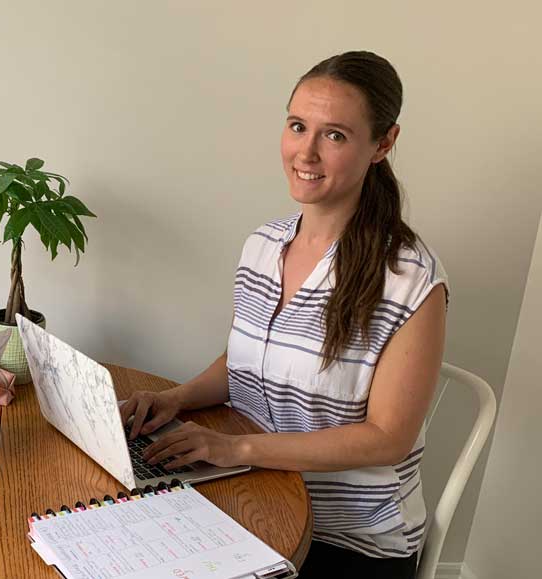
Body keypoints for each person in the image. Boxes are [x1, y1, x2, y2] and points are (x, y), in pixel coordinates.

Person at [120, 51, 447, 579]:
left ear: (383, 144)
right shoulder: (263, 245)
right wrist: (173, 399)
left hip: (348, 539)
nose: (306, 152)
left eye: (334, 135)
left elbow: (389, 437)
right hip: (254, 494)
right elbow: (247, 360)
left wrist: (233, 447)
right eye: (298, 126)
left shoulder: (410, 280)